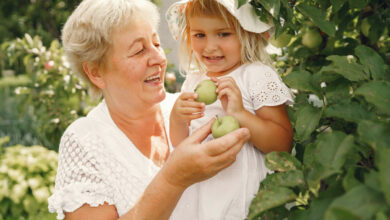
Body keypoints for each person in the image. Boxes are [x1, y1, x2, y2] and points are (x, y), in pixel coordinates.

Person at [47, 0, 252, 219]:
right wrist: (174, 179)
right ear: (96, 73)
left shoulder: (192, 111)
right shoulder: (85, 141)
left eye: (156, 44)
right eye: (138, 51)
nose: (159, 59)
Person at [166, 0, 294, 219]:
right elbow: (180, 142)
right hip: (200, 191)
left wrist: (240, 114)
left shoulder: (255, 76)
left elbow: (281, 143)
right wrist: (177, 118)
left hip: (242, 194)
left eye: (223, 34)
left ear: (248, 33)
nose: (210, 46)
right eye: (199, 35)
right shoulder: (195, 81)